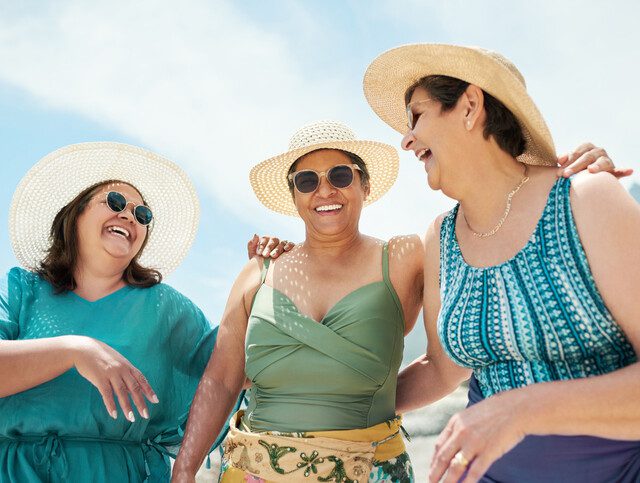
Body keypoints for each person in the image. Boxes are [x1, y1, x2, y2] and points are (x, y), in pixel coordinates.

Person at [363, 44, 640, 482]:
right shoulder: (440, 238)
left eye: (417, 115)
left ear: (470, 106)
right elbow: (441, 369)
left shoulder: (587, 199)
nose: (406, 138)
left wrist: (524, 411)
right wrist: (342, 403)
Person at [172, 120, 426, 482]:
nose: (324, 190)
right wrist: (183, 471)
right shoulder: (256, 273)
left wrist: (371, 398)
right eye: (307, 181)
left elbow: (451, 357)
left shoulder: (404, 259)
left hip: (369, 469)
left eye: (339, 175)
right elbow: (222, 380)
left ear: (364, 185)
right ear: (294, 196)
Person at [0, 142, 226, 482]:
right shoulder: (21, 289)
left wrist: (264, 278)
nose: (128, 216)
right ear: (74, 213)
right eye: (116, 202)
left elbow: (231, 364)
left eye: (142, 214)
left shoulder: (165, 307)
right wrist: (75, 351)